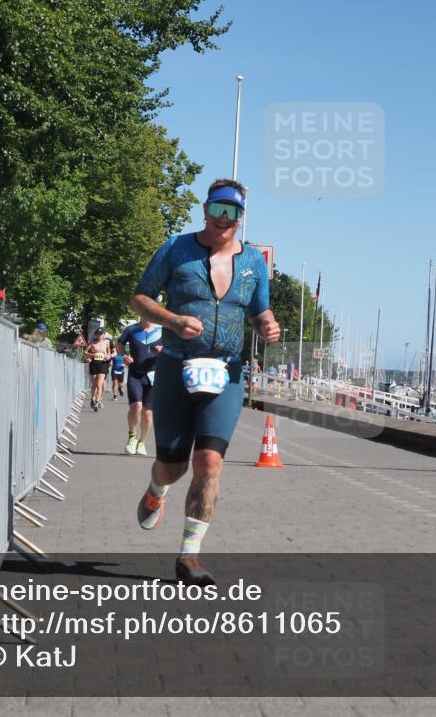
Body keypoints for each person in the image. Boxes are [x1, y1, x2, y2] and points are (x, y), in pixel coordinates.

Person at [130, 178, 280, 586]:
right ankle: (156, 490)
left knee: (210, 463)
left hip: (227, 373)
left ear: (241, 218)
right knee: (173, 466)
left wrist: (267, 325)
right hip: (177, 368)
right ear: (206, 209)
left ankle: (189, 557)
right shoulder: (177, 249)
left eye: (234, 212)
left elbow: (259, 311)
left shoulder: (253, 263)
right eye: (219, 209)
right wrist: (173, 320)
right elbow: (140, 297)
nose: (225, 219)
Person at [119, 317, 163, 455]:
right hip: (135, 375)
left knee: (148, 414)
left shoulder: (163, 330)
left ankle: (142, 443)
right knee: (136, 407)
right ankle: (132, 437)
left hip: (154, 376)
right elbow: (119, 344)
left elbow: (176, 348)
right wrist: (124, 356)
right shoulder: (131, 329)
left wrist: (165, 349)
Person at [85, 327, 113, 411]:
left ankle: (97, 402)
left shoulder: (106, 343)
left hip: (103, 364)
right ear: (96, 335)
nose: (99, 335)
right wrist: (92, 355)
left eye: (101, 334)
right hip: (94, 364)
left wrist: (108, 356)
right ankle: (92, 398)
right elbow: (85, 352)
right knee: (94, 384)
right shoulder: (92, 343)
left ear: (104, 335)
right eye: (97, 334)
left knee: (99, 384)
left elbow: (109, 353)